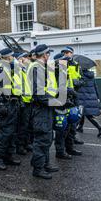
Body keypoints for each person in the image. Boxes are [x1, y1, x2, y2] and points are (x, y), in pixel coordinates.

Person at [27, 44, 60, 179]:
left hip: (45, 108)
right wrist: (56, 102)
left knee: (47, 138)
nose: (49, 56)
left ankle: (45, 164)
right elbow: (39, 94)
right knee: (41, 139)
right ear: (45, 55)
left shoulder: (41, 68)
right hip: (40, 109)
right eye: (48, 54)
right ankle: (38, 169)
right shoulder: (37, 69)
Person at [0, 48, 22, 171]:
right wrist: (0, 105)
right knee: (4, 133)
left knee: (12, 133)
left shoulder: (12, 68)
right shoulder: (0, 69)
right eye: (10, 56)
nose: (12, 58)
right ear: (5, 57)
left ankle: (9, 155)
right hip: (6, 104)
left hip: (14, 103)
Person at [77, 68, 101, 138]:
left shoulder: (80, 75)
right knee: (83, 113)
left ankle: (99, 127)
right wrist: (98, 97)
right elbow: (96, 86)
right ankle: (80, 127)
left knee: (84, 114)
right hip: (91, 97)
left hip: (82, 97)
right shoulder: (91, 75)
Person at [15, 53, 33, 155]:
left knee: (27, 125)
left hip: (29, 100)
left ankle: (26, 143)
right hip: (22, 102)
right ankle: (20, 146)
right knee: (22, 126)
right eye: (25, 58)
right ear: (20, 59)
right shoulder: (18, 70)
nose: (27, 59)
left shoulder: (25, 70)